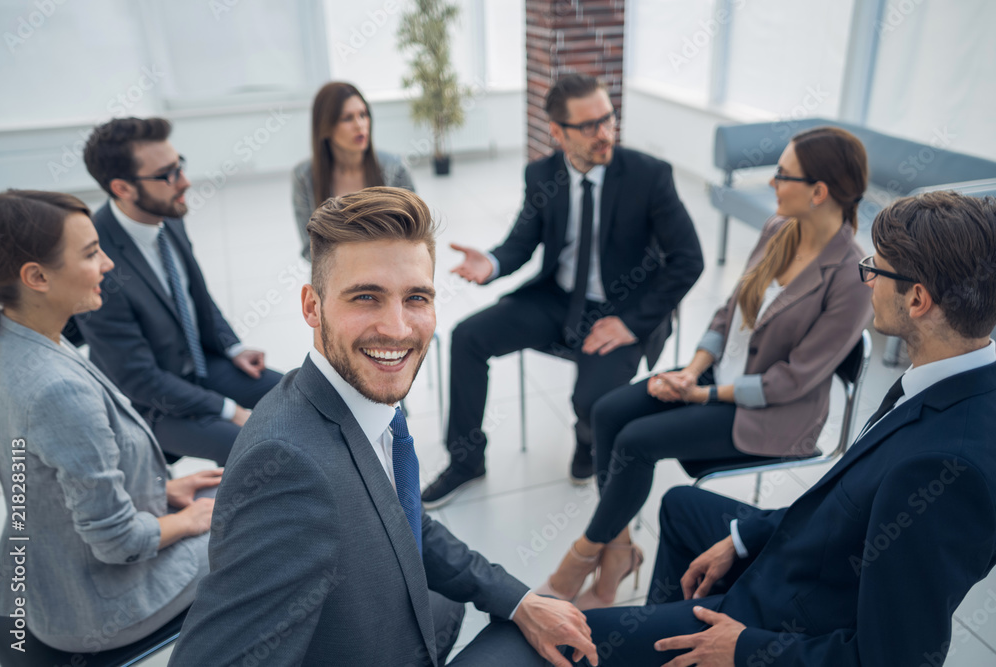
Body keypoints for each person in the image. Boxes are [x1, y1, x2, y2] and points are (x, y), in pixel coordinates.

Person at [169, 187, 599, 666]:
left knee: (552, 629)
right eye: (366, 297)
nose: (397, 328)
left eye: (416, 297)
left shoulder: (361, 400)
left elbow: (400, 515)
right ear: (312, 307)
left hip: (409, 625)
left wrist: (517, 600)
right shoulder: (286, 466)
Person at [574, 190, 996, 666]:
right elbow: (840, 501)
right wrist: (743, 538)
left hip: (785, 623)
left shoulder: (949, 468)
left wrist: (744, 650)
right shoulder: (948, 377)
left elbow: (894, 658)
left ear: (918, 299)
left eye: (877, 268)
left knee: (570, 643)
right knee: (679, 505)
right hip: (803, 554)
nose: (868, 279)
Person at [537, 126, 874, 610]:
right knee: (609, 412)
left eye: (782, 174)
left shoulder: (849, 277)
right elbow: (728, 314)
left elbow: (793, 380)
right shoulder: (779, 230)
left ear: (819, 192)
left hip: (772, 414)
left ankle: (583, 558)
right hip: (717, 381)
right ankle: (618, 555)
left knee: (636, 443)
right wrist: (693, 372)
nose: (773, 182)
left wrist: (704, 396)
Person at [422, 73, 705, 507]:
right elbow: (522, 242)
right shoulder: (541, 175)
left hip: (624, 308)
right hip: (557, 298)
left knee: (591, 402)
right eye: (589, 126)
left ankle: (588, 440)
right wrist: (494, 262)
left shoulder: (648, 176)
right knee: (467, 337)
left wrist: (632, 324)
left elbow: (689, 259)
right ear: (557, 132)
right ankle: (466, 461)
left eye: (609, 119)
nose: (605, 133)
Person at [0, 190, 219, 652]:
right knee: (268, 525)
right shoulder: (56, 389)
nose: (108, 264)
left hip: (49, 572)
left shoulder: (16, 340)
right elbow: (118, 542)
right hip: (97, 604)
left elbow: (44, 480)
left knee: (228, 494)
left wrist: (160, 491)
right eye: (91, 253)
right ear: (36, 276)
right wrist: (190, 521)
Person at [76, 117, 282, 466]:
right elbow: (139, 379)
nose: (184, 181)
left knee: (300, 395)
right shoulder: (94, 257)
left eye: (179, 165)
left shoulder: (167, 211)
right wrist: (229, 409)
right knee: (256, 449)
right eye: (167, 174)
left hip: (201, 363)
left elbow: (194, 294)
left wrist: (232, 347)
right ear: (123, 188)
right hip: (152, 402)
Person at [292, 81, 415, 260]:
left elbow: (415, 233)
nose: (360, 125)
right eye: (347, 118)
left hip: (389, 266)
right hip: (336, 275)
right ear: (325, 128)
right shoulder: (304, 176)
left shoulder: (395, 168)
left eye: (363, 115)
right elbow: (308, 248)